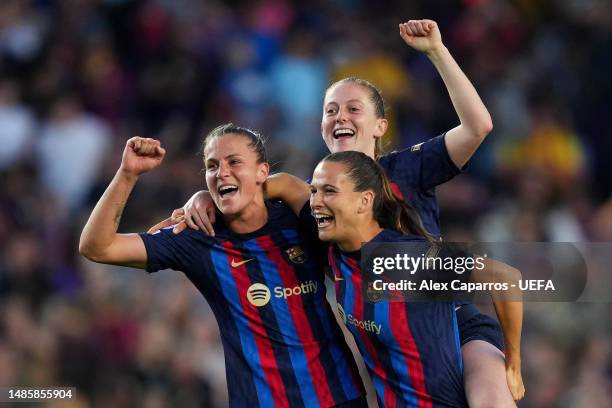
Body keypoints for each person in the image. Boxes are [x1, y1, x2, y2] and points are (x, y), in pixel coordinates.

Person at [150, 20, 524, 404]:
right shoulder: (321, 196)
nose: (340, 116)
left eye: (353, 108)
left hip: (453, 321)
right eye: (331, 110)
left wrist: (435, 52)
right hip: (389, 342)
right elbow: (275, 184)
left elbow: (478, 126)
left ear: (380, 125)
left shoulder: (407, 168)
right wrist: (206, 197)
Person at [79, 125, 368, 407]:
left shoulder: (296, 218)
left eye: (234, 162)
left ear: (262, 171)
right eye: (212, 165)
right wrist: (128, 174)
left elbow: (325, 206)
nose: (222, 172)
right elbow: (97, 247)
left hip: (340, 395)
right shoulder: (196, 237)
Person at [276, 151, 523, 407]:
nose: (315, 201)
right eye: (314, 191)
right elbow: (287, 185)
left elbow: (505, 277)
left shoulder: (404, 257)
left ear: (364, 201)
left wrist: (513, 364)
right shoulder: (332, 238)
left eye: (329, 191)